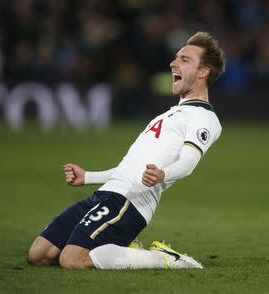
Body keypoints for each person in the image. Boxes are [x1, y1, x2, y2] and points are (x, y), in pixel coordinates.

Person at [28, 31, 226, 270]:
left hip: (131, 201)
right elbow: (128, 168)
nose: (174, 63)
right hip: (105, 194)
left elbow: (188, 162)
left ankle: (166, 259)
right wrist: (89, 177)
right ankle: (122, 249)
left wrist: (163, 174)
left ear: (204, 72)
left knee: (71, 260)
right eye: (176, 57)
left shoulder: (204, 118)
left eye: (185, 60)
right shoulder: (168, 114)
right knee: (39, 254)